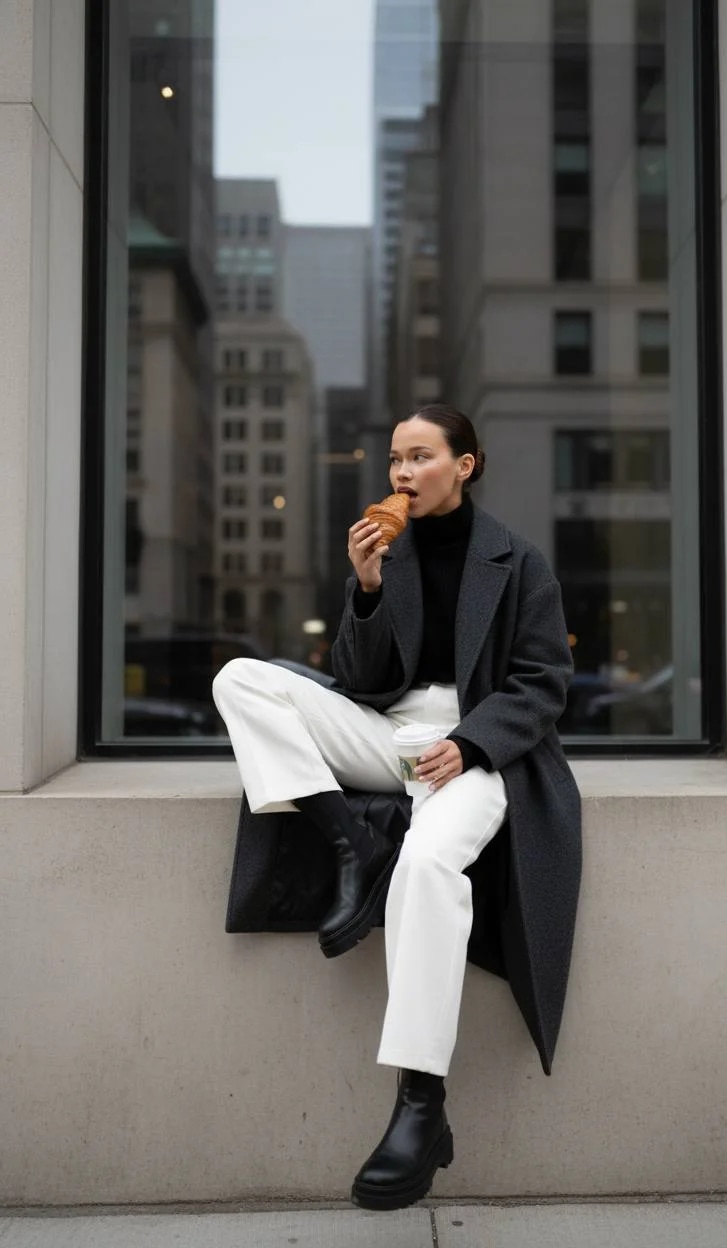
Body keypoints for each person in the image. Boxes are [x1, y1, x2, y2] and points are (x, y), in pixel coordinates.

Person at [212, 404, 581, 1211]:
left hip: (474, 751)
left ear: (465, 465)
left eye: (420, 457)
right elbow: (358, 676)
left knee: (427, 862)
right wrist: (369, 589)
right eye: (395, 461)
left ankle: (422, 1102)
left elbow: (545, 683)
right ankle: (348, 842)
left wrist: (475, 744)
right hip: (386, 731)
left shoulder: (519, 562)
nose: (402, 474)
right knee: (240, 679)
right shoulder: (388, 550)